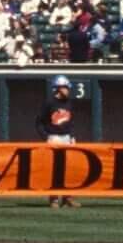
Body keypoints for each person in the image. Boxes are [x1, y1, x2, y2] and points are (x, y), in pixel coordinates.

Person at [39, 75, 82, 209]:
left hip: (67, 137)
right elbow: (39, 123)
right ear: (58, 88)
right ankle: (54, 198)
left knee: (70, 169)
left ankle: (68, 197)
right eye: (65, 87)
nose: (68, 90)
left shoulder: (69, 103)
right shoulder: (49, 103)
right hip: (54, 137)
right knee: (55, 169)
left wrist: (73, 136)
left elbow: (71, 122)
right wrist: (46, 137)